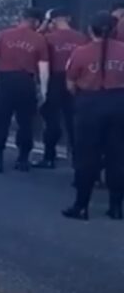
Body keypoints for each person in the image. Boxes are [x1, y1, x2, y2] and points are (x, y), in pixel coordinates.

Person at [62, 12, 124, 221]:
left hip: (90, 104)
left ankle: (81, 206)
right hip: (119, 103)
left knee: (86, 157)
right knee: (118, 156)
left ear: (90, 30)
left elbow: (70, 84)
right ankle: (116, 207)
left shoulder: (81, 52)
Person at [0, 8, 50, 173]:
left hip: (6, 82)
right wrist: (44, 90)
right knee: (26, 123)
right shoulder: (40, 40)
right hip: (26, 83)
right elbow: (43, 68)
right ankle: (23, 160)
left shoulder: (4, 35)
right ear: (36, 22)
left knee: (0, 122)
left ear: (21, 18)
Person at [34, 8, 87, 169]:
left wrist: (43, 25)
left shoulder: (47, 38)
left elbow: (34, 41)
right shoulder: (81, 38)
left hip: (54, 79)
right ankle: (77, 159)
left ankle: (49, 157)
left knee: (52, 120)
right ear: (68, 18)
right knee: (73, 121)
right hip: (76, 80)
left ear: (53, 21)